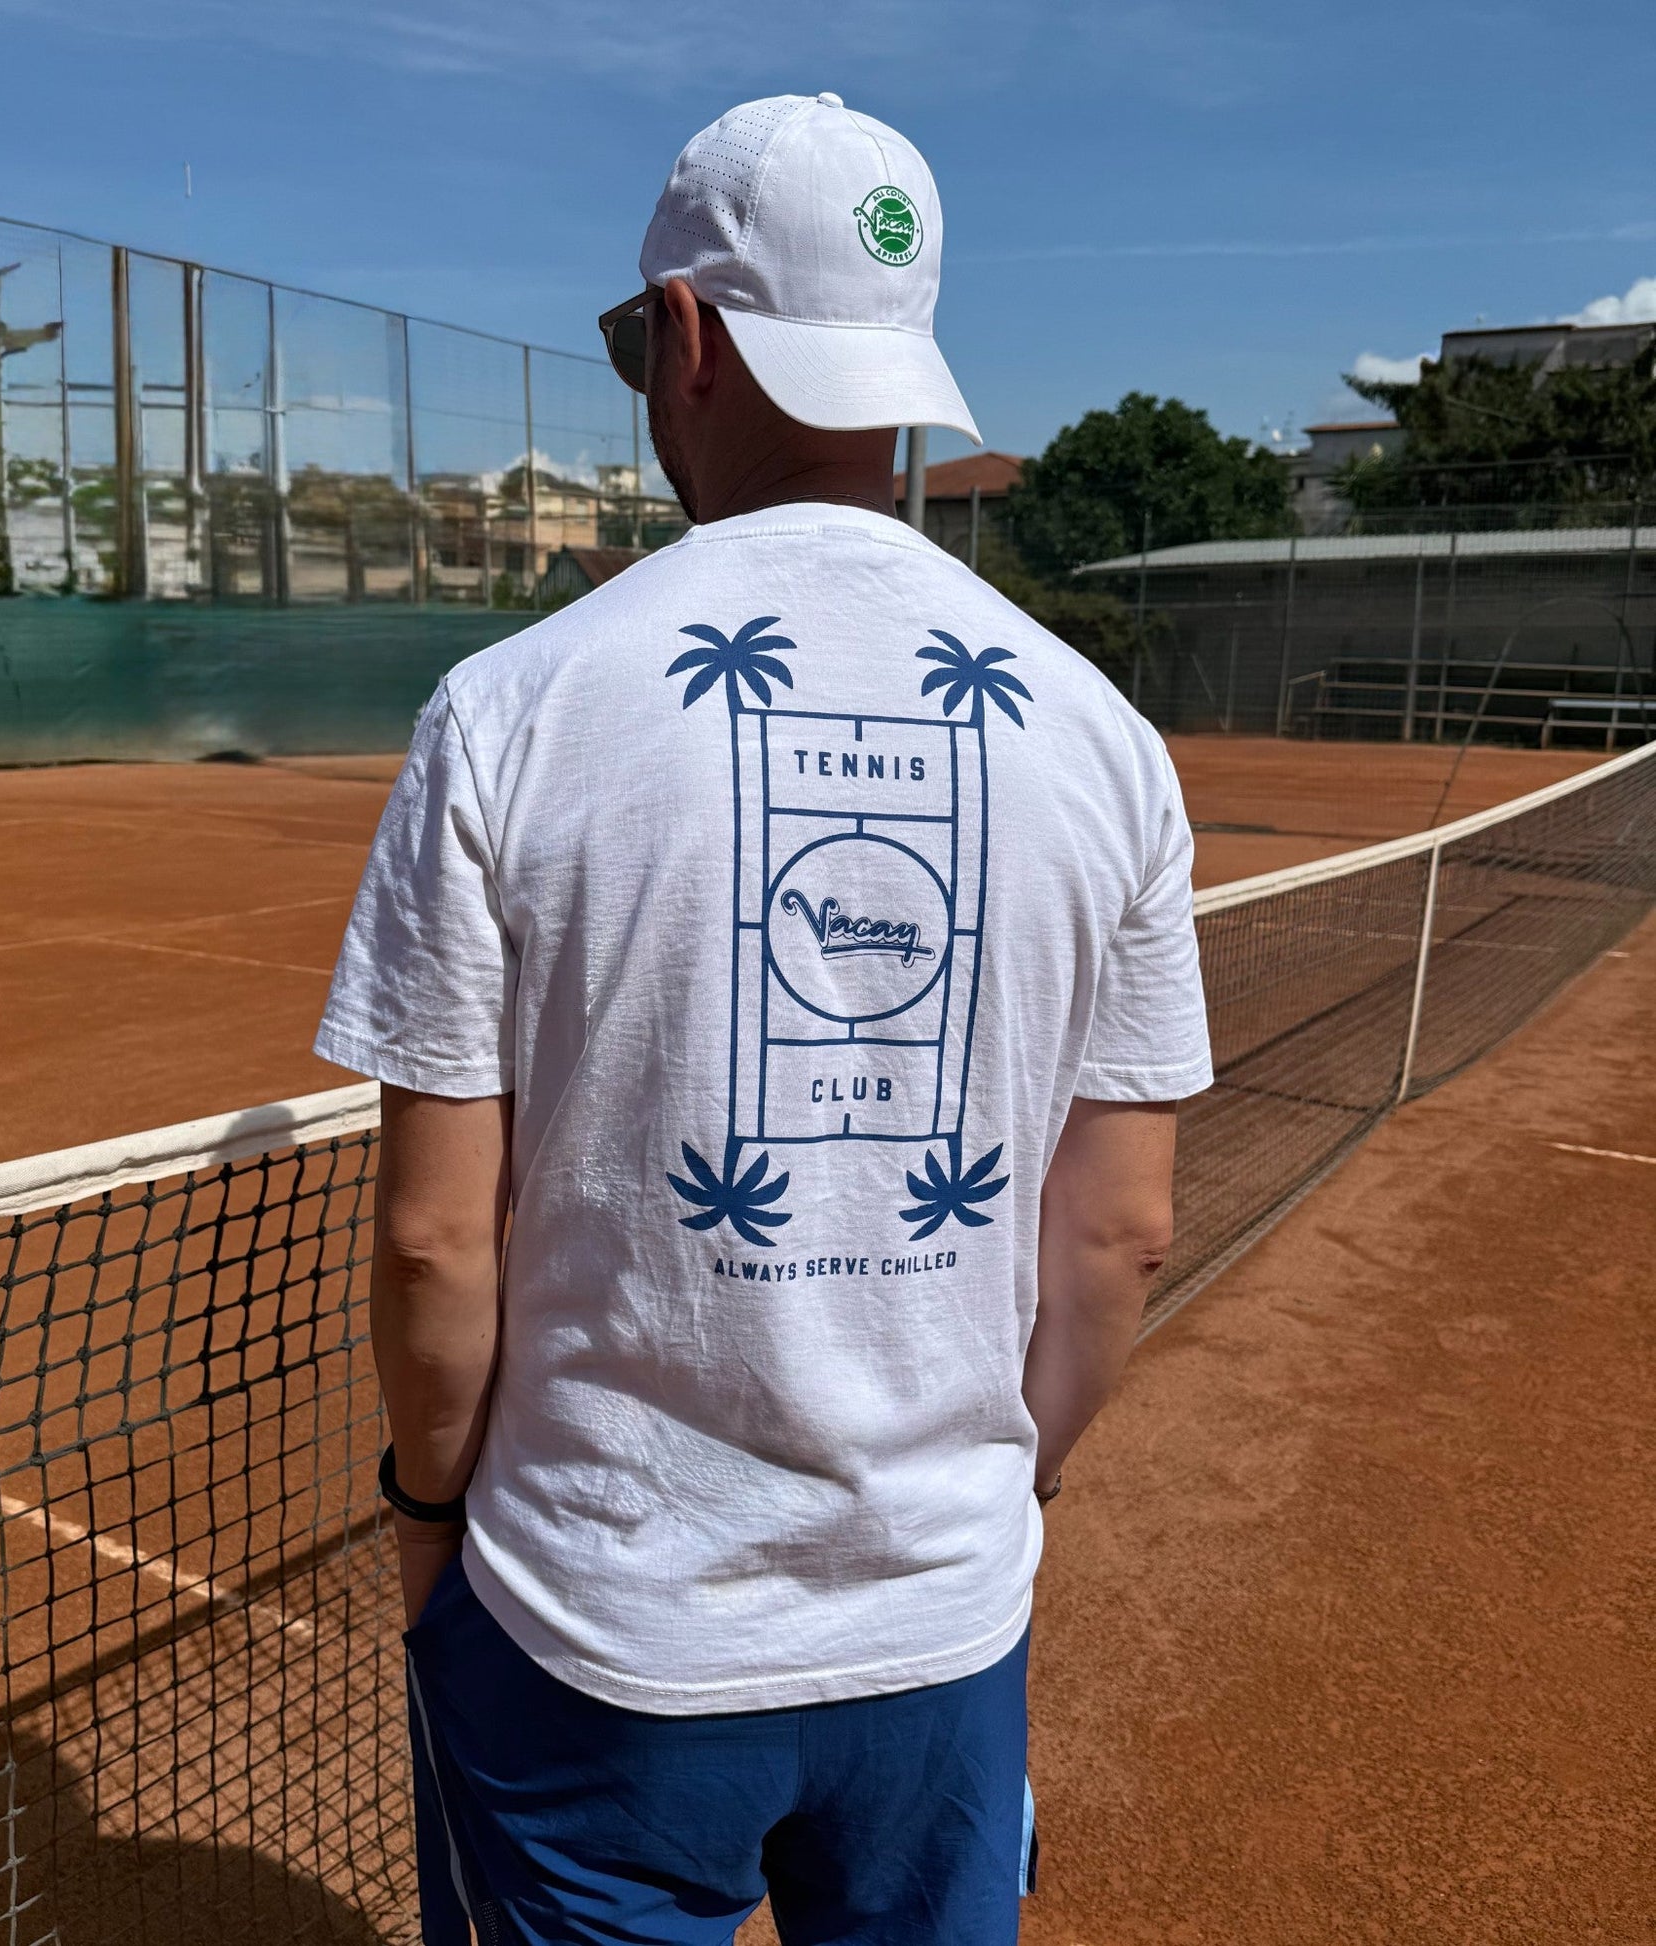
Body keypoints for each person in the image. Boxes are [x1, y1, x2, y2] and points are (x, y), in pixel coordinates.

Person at [317, 92, 1212, 1946]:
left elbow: (430, 1245)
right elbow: (1119, 1233)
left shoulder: (507, 709)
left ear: (689, 337)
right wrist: (1006, 1483)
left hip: (599, 1635)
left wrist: (427, 1515)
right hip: (942, 1632)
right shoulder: (1106, 741)